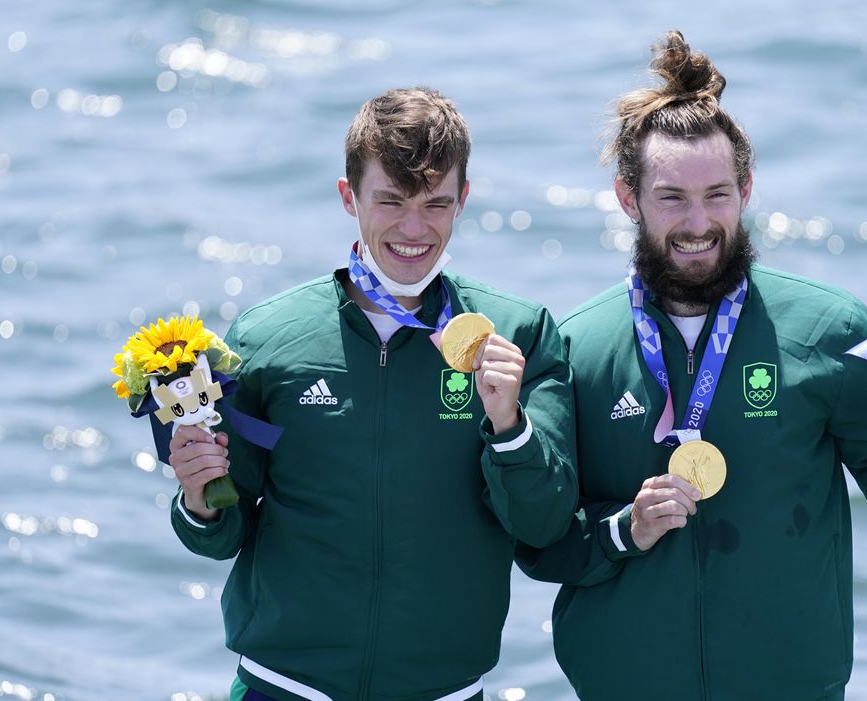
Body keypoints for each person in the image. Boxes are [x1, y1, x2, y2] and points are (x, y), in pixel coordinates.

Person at [516, 32, 867, 701]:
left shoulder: (831, 330)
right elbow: (541, 543)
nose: (697, 221)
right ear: (626, 197)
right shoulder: (575, 347)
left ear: (747, 188)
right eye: (671, 196)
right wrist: (625, 528)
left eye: (717, 194)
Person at [166, 87, 578, 701]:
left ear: (463, 199)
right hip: (283, 687)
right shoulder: (267, 337)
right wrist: (198, 498)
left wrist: (509, 425)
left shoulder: (518, 334)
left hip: (445, 690)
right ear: (348, 196)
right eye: (390, 201)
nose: (414, 231)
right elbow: (221, 533)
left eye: (436, 204)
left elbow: (543, 526)